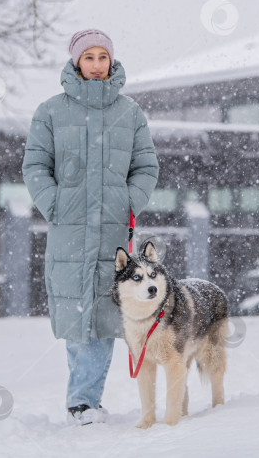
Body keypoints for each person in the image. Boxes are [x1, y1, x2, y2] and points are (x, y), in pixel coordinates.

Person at [21, 29, 159, 425]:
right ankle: (81, 401)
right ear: (76, 62)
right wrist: (55, 205)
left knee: (102, 313)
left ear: (111, 62)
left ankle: (82, 402)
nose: (97, 64)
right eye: (89, 57)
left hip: (113, 231)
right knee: (75, 313)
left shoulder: (129, 113)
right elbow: (35, 166)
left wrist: (128, 201)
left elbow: (146, 166)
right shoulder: (50, 111)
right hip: (68, 230)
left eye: (103, 57)